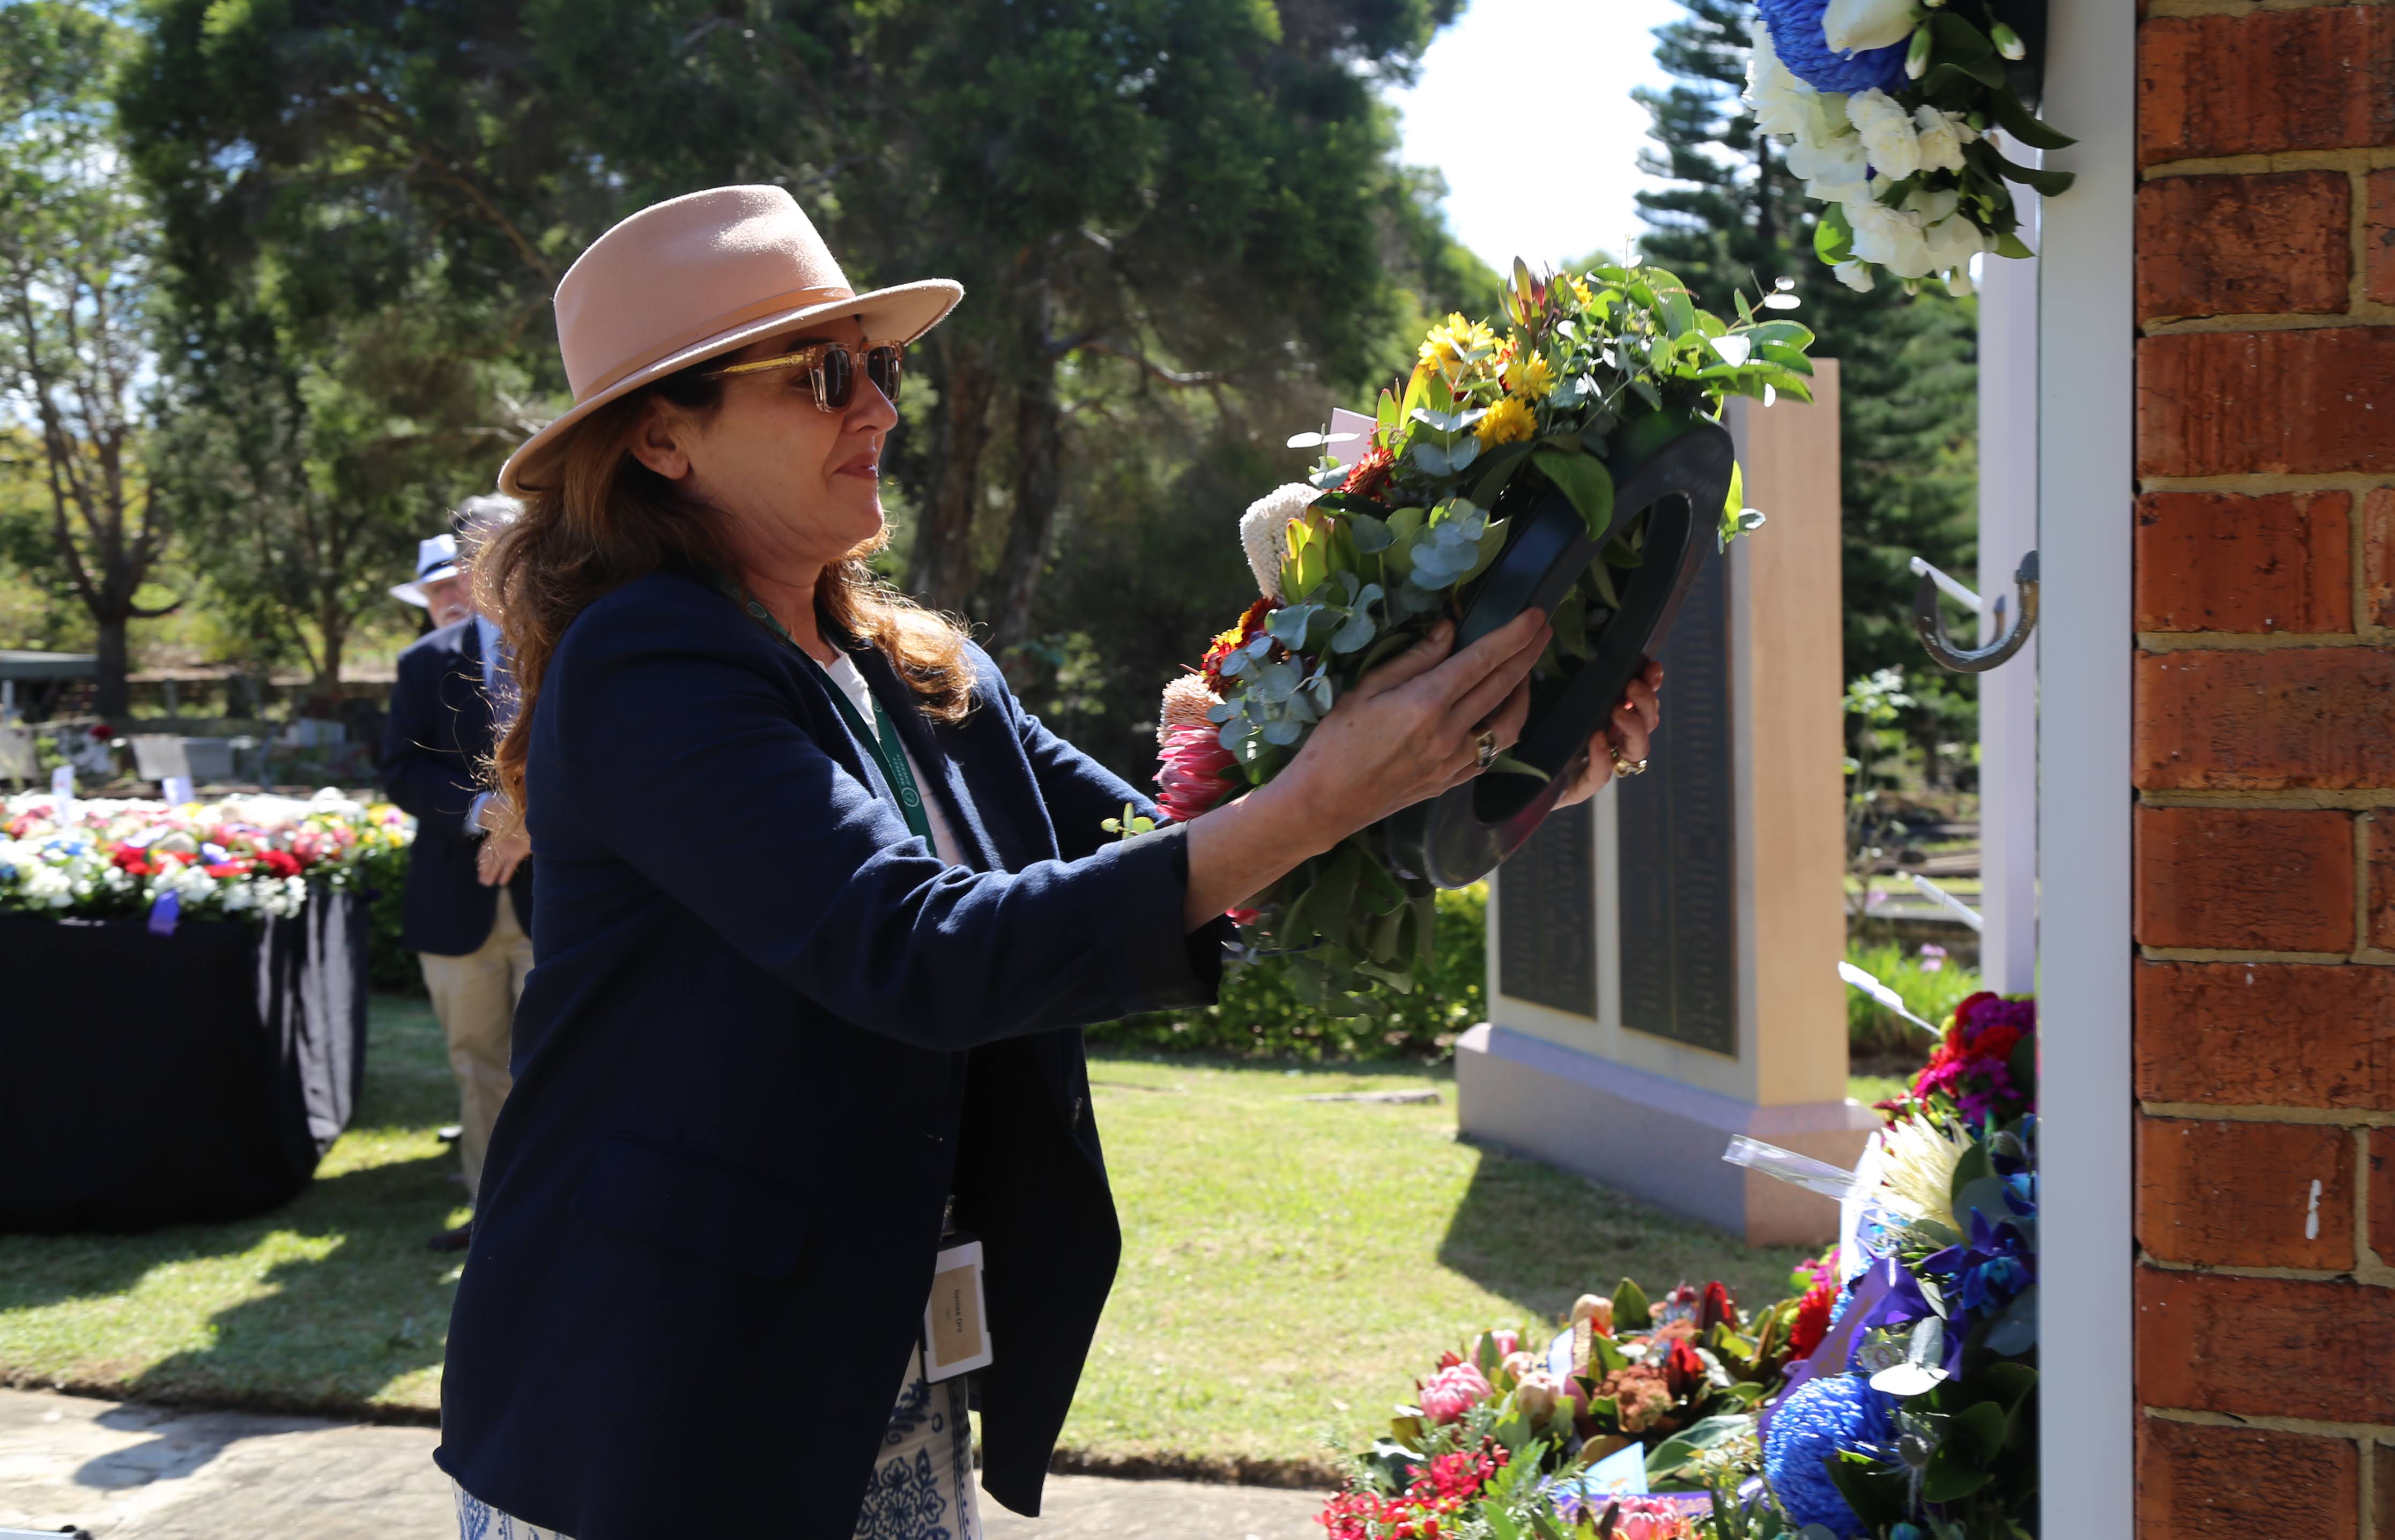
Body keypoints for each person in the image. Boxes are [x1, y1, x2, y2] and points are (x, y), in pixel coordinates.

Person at [437, 185, 1662, 1539]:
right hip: (657, 1396)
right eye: (822, 374)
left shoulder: (921, 673)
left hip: (870, 1365)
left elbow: (1186, 871)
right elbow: (916, 949)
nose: (880, 408)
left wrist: (1517, 755)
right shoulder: (649, 662)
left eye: (881, 365)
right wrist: (1314, 795)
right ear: (662, 438)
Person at [379, 502, 532, 1254]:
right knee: (477, 1063)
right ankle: (492, 1213)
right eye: (485, 555)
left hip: (560, 896)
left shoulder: (573, 645)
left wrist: (531, 821)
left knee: (566, 1059)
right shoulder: (425, 662)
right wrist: (484, 812)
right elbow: (400, 769)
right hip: (454, 897)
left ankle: (564, 1215)